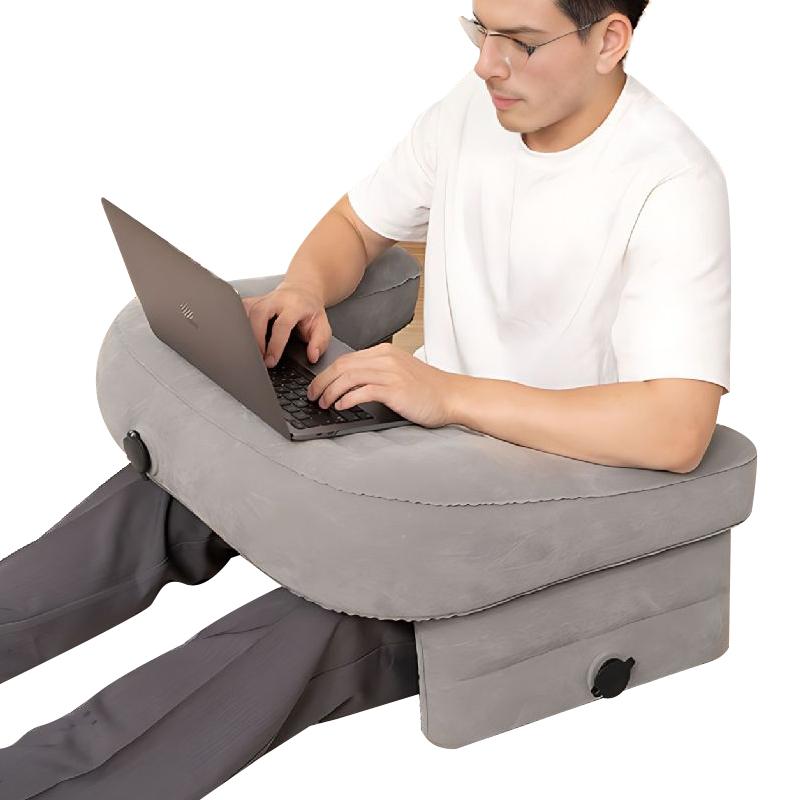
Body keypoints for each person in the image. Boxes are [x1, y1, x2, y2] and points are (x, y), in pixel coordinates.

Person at [1, 0, 731, 795]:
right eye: (480, 29)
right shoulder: (478, 107)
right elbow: (356, 226)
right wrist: (304, 289)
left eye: (520, 42)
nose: (487, 63)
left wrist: (448, 395)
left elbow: (676, 428)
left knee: (309, 617)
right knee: (181, 489)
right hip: (419, 422)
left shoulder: (671, 183)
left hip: (535, 485)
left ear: (610, 40)